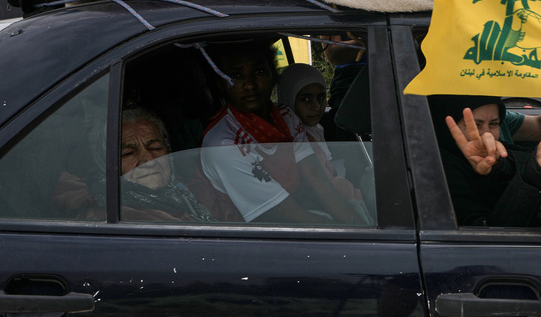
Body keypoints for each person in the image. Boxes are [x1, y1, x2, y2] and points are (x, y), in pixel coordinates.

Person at [200, 41, 361, 224]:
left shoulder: (286, 117)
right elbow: (283, 214)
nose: (250, 85)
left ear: (273, 75)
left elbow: (316, 177)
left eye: (259, 72)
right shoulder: (223, 143)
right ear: (220, 84)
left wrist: (354, 222)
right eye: (235, 76)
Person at [429, 94, 541, 227]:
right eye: (476, 125)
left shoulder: (496, 153)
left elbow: (509, 172)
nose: (487, 134)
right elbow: (489, 237)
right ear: (448, 127)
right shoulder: (441, 175)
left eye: (493, 124)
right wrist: (540, 174)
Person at [53, 107, 213, 222]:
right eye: (128, 153)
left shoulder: (183, 192)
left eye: (156, 148)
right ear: (105, 164)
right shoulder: (113, 217)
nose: (148, 160)